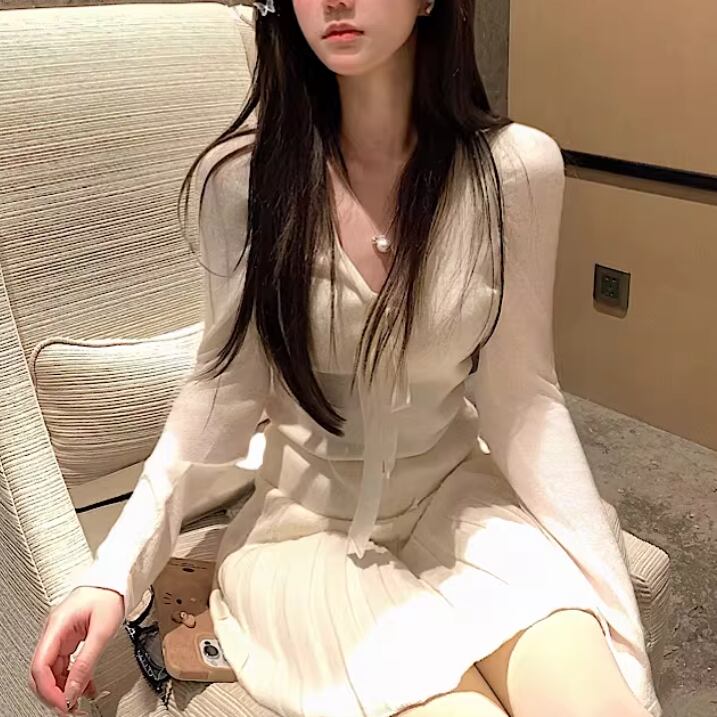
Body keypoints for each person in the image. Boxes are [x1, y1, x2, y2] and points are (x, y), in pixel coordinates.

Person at [29, 1, 663, 716]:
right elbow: (218, 398)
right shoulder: (243, 182)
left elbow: (525, 400)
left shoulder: (515, 170)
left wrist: (614, 609)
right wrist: (114, 571)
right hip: (309, 537)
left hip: (460, 503)